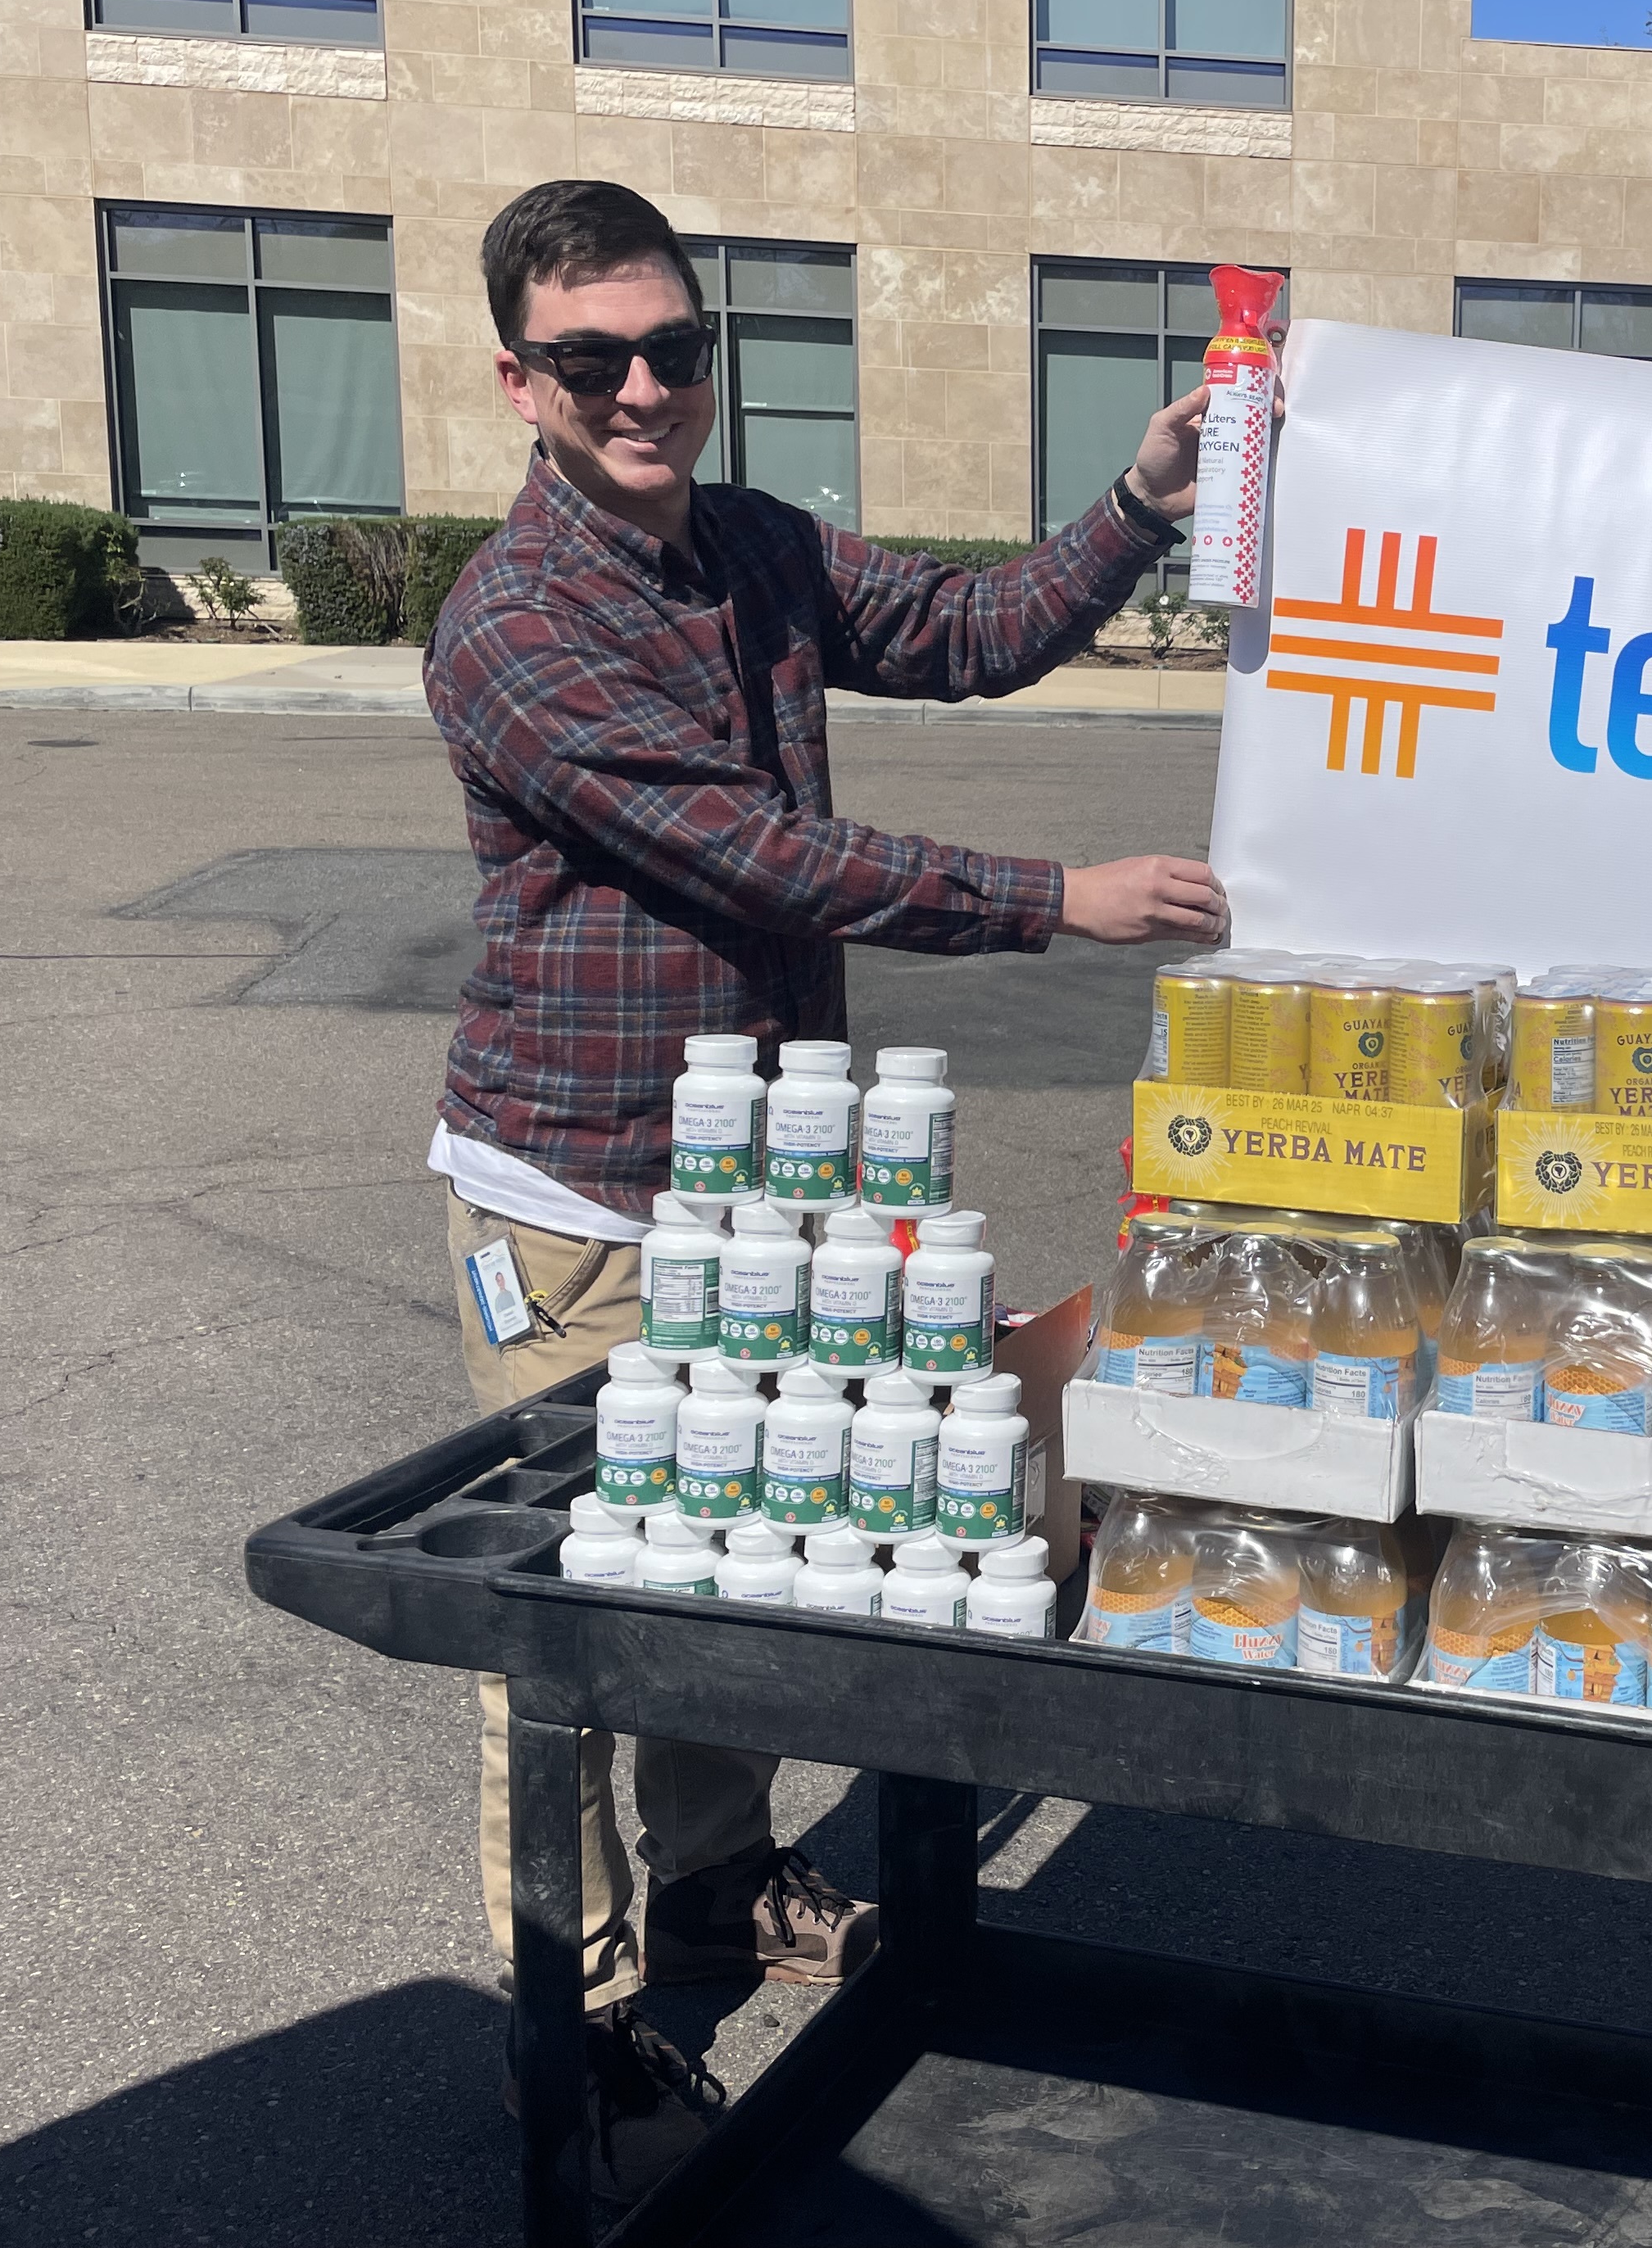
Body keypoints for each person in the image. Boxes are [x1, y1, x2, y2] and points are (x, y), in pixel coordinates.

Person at [423, 178, 1242, 2205]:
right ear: (518, 378)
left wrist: (1139, 500)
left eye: (675, 350)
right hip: (586, 1196)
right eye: (595, 358)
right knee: (592, 1622)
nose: (643, 389)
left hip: (767, 1180)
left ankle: (723, 1885)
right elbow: (762, 859)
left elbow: (957, 632)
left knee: (740, 1559)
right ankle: (589, 2004)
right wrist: (1056, 900)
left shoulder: (755, 548)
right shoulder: (516, 630)